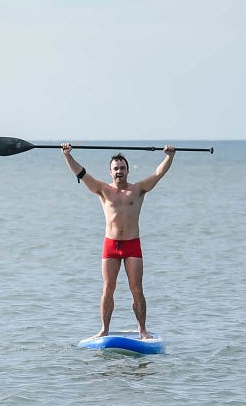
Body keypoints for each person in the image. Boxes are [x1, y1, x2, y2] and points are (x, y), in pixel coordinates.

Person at [61, 143, 176, 340]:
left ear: (128, 170)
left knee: (137, 289)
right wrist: (67, 155)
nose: (119, 171)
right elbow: (81, 173)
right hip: (111, 246)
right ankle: (104, 329)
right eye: (116, 168)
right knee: (108, 288)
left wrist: (169, 156)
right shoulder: (102, 189)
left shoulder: (138, 189)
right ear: (110, 171)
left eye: (122, 168)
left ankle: (142, 330)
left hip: (132, 245)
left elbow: (158, 174)